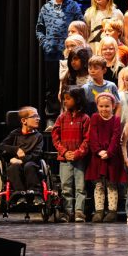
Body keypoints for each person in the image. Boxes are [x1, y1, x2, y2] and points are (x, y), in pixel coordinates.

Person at [37, 0, 83, 108]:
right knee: (52, 85)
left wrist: (75, 43)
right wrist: (45, 44)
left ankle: (71, 111)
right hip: (51, 53)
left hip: (69, 53)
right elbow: (39, 29)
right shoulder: (46, 8)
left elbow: (81, 25)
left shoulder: (73, 6)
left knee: (70, 84)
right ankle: (52, 115)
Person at [52, 86, 90, 222]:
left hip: (79, 159)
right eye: (64, 99)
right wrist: (65, 152)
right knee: (66, 187)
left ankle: (79, 212)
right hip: (65, 159)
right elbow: (55, 137)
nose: (65, 102)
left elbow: (87, 139)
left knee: (80, 187)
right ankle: (68, 212)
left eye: (68, 98)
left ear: (77, 99)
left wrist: (78, 153)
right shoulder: (61, 118)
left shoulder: (85, 119)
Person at [86, 92, 123, 222]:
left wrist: (109, 152)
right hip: (98, 157)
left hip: (111, 157)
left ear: (113, 106)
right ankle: (99, 211)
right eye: (101, 106)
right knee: (99, 185)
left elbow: (116, 137)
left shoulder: (116, 120)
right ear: (97, 106)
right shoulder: (95, 118)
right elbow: (93, 136)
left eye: (107, 106)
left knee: (111, 184)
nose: (104, 109)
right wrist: (98, 151)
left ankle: (112, 211)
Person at [0, 106, 45, 209]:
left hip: (31, 163)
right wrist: (16, 150)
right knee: (13, 167)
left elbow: (36, 155)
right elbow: (1, 146)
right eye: (35, 116)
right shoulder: (15, 134)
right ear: (24, 120)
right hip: (16, 165)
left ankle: (35, 193)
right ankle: (19, 195)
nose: (38, 118)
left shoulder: (38, 137)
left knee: (29, 165)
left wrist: (21, 160)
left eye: (38, 116)